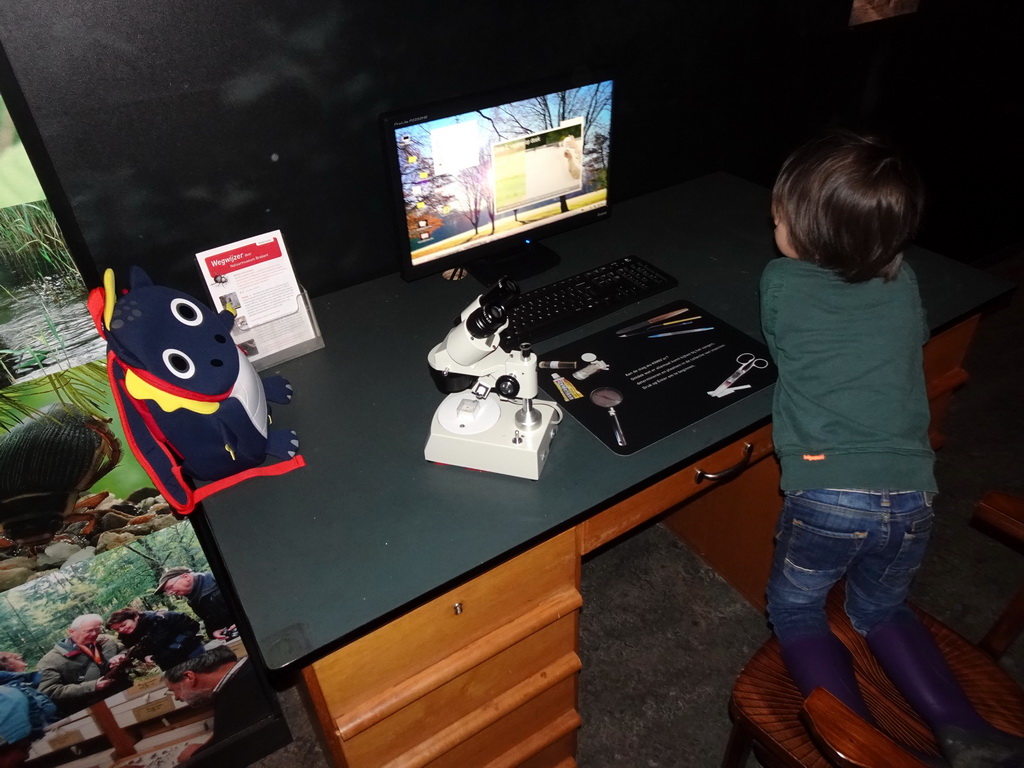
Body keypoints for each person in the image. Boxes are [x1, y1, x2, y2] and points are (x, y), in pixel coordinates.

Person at [761, 129, 1024, 768]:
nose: (772, 224)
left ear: (799, 233)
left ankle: (858, 741)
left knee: (796, 609)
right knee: (880, 608)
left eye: (779, 216)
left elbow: (783, 344)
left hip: (827, 494)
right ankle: (965, 729)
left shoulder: (781, 281)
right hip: (912, 498)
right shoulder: (902, 281)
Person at [162, 645, 265, 766]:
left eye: (174, 690)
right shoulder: (251, 669)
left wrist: (195, 756)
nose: (176, 697)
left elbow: (237, 754)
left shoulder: (244, 690)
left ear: (189, 678)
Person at [36, 614, 128, 716]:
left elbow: (125, 650)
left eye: (97, 629)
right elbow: (49, 691)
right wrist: (92, 686)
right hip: (90, 710)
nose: (94, 634)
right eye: (89, 631)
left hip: (124, 693)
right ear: (71, 632)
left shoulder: (106, 641)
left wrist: (121, 656)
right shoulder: (49, 661)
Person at [0, 652, 58, 768]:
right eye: (19, 659)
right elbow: (42, 715)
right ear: (6, 665)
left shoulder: (17, 687)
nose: (25, 664)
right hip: (39, 742)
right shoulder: (11, 691)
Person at [107, 608, 204, 671]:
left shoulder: (161, 617)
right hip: (168, 663)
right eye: (117, 629)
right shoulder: (126, 637)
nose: (122, 630)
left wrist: (176, 646)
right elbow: (136, 651)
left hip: (191, 652)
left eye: (123, 625)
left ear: (135, 617)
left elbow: (192, 627)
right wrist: (144, 657)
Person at [155, 567, 236, 640]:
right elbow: (208, 620)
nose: (170, 592)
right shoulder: (193, 601)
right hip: (232, 635)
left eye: (170, 587)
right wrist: (213, 631)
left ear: (186, 577)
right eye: (167, 591)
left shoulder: (218, 578)